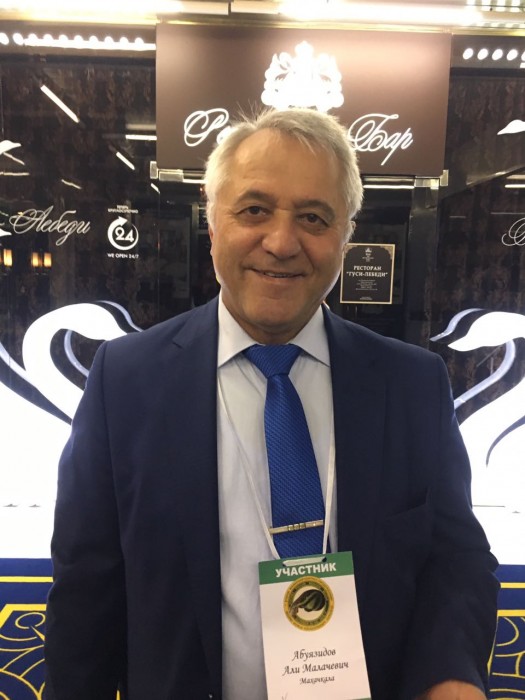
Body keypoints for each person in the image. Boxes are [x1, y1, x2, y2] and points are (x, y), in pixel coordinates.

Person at [44, 108, 499, 700]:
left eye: (313, 217)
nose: (282, 243)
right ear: (213, 223)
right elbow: (85, 591)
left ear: (345, 237)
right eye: (254, 210)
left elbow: (455, 558)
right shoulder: (125, 383)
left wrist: (450, 674)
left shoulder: (412, 386)